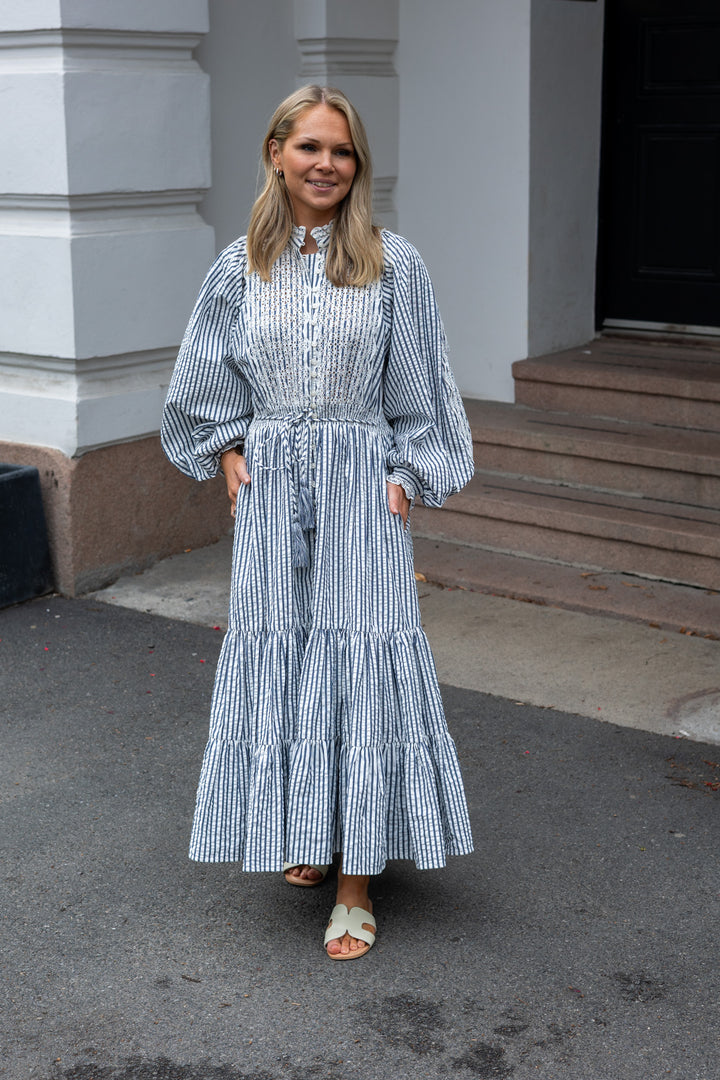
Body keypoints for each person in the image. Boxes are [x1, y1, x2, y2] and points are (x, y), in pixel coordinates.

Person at [161, 85, 475, 961]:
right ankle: (304, 826)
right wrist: (227, 447)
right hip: (269, 492)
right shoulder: (238, 268)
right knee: (287, 651)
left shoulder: (391, 262)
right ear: (276, 153)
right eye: (310, 148)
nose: (327, 165)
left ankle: (355, 880)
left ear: (357, 165)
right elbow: (203, 375)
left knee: (361, 659)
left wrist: (409, 474)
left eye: (342, 151)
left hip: (359, 488)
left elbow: (425, 384)